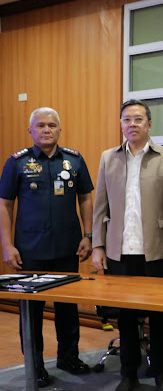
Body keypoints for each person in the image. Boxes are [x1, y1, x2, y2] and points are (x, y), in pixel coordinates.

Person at [92, 99, 163, 391]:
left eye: (137, 119)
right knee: (125, 316)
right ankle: (128, 373)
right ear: (121, 124)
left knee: (159, 315)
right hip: (119, 252)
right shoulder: (109, 157)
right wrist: (97, 246)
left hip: (156, 251)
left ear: (149, 124)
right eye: (126, 120)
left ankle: (160, 372)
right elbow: (100, 207)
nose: (131, 125)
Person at [0, 107, 94, 387]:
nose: (46, 130)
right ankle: (35, 365)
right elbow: (5, 204)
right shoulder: (17, 162)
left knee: (68, 309)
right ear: (30, 131)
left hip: (67, 248)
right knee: (31, 313)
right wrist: (7, 245)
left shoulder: (74, 160)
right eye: (40, 125)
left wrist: (88, 235)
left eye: (52, 125)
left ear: (59, 130)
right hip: (30, 250)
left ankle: (69, 357)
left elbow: (86, 198)